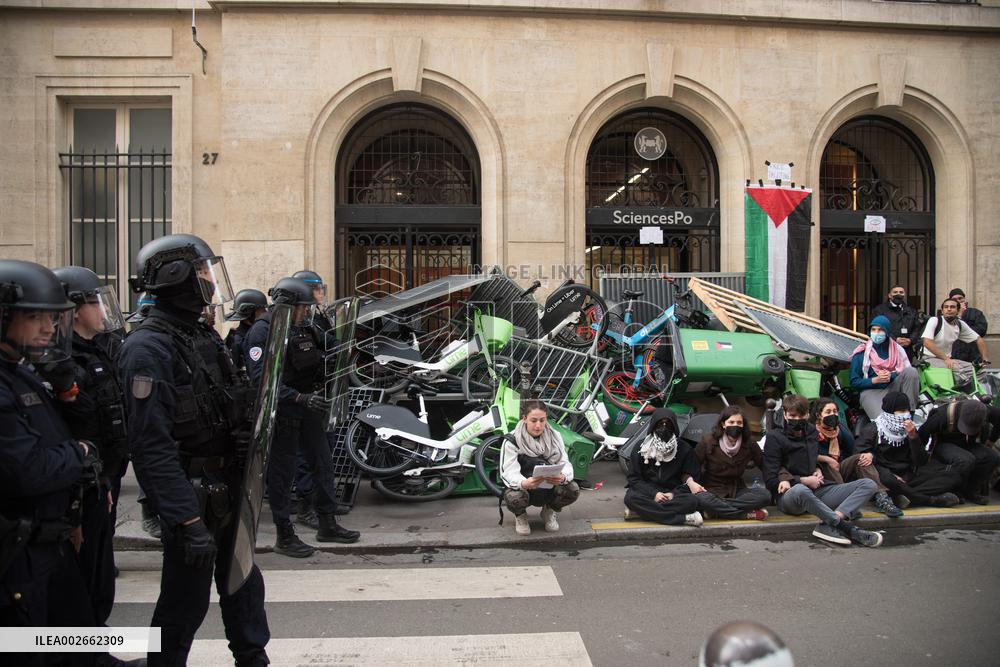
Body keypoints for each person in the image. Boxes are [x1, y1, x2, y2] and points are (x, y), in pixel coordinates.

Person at [118, 233, 270, 666]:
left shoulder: (201, 337)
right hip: (192, 494)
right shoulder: (148, 347)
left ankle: (253, 658)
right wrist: (184, 518)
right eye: (204, 270)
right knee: (183, 603)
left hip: (226, 486)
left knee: (242, 586)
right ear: (178, 276)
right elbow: (151, 446)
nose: (210, 280)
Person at [0, 260, 102, 664]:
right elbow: (30, 469)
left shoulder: (21, 372)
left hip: (49, 543)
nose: (46, 327)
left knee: (83, 640)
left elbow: (75, 425)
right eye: (34, 317)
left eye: (50, 317)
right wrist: (79, 454)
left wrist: (66, 389)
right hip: (18, 556)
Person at [245, 277, 359, 557]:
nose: (306, 314)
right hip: (282, 411)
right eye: (302, 308)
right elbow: (261, 380)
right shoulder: (262, 332)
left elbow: (333, 344)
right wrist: (297, 397)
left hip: (311, 406)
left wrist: (353, 348)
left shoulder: (305, 328)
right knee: (282, 475)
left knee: (322, 464)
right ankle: (284, 534)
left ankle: (327, 524)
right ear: (287, 307)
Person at [51, 265, 129, 624]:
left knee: (99, 578)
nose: (102, 310)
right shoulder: (60, 361)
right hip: (78, 486)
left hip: (102, 478)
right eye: (95, 302)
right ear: (74, 309)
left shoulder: (99, 349)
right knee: (78, 583)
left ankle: (94, 647)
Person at [762, 394, 883, 547]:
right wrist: (802, 480)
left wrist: (817, 469)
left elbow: (810, 460)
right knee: (800, 489)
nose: (797, 419)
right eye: (792, 415)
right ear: (785, 414)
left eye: (801, 415)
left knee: (868, 484)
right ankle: (847, 528)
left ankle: (828, 524)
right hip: (791, 494)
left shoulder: (812, 432)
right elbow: (770, 479)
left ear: (807, 415)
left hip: (818, 489)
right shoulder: (775, 437)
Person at [854, 392, 962, 509]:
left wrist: (913, 437)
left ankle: (902, 495)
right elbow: (860, 456)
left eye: (906, 411)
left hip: (908, 475)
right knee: (889, 480)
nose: (905, 415)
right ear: (890, 412)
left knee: (953, 476)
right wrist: (891, 474)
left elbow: (921, 461)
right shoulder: (874, 429)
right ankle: (928, 500)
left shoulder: (909, 429)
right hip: (886, 476)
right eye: (900, 411)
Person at [814, 396, 904, 517]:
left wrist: (869, 455)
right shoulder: (811, 431)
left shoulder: (840, 430)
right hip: (821, 474)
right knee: (828, 464)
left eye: (835, 412)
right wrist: (826, 459)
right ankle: (846, 505)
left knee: (861, 458)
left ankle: (881, 498)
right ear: (819, 415)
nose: (833, 415)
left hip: (840, 469)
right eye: (828, 412)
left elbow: (855, 450)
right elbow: (806, 455)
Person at [500, 400, 580, 535]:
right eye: (533, 420)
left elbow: (565, 462)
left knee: (572, 489)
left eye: (542, 420)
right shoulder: (512, 440)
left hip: (549, 484)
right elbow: (507, 472)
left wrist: (562, 477)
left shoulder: (555, 436)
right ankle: (520, 516)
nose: (538, 426)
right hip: (525, 486)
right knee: (514, 496)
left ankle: (549, 510)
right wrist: (523, 483)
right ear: (524, 418)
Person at [623, 408, 705, 527]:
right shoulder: (641, 447)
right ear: (653, 426)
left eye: (668, 423)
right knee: (631, 498)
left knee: (693, 502)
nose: (664, 427)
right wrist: (654, 494)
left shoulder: (684, 448)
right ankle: (684, 518)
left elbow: (694, 477)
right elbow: (634, 478)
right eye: (660, 423)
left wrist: (673, 494)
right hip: (649, 492)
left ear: (674, 426)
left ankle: (644, 512)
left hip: (673, 493)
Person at [692, 406, 771, 521]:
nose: (735, 425)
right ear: (723, 424)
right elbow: (692, 466)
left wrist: (781, 479)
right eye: (731, 422)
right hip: (712, 489)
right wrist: (693, 484)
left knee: (765, 496)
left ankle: (717, 511)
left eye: (739, 422)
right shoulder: (708, 441)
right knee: (701, 499)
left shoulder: (749, 443)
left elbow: (765, 465)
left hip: (736, 490)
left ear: (743, 425)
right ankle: (744, 515)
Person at [917, 398, 1000, 505]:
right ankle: (955, 490)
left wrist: (991, 440)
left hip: (967, 443)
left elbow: (998, 419)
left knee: (992, 456)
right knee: (965, 460)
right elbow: (922, 434)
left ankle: (971, 491)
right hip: (943, 445)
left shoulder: (986, 410)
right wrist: (920, 460)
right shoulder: (942, 415)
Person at [850, 315, 919, 420]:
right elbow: (854, 382)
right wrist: (875, 380)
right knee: (884, 421)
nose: (876, 333)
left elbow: (904, 372)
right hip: (871, 391)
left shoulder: (897, 349)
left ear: (887, 332)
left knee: (911, 371)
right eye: (873, 329)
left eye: (880, 330)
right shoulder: (861, 353)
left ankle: (910, 412)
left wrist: (891, 375)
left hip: (893, 387)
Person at [921, 297, 990, 388]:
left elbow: (978, 339)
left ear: (958, 311)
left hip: (947, 360)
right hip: (929, 359)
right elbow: (927, 342)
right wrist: (946, 359)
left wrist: (985, 359)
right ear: (942, 311)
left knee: (979, 371)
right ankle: (959, 396)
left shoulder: (960, 324)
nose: (949, 309)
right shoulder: (934, 320)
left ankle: (980, 397)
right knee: (958, 370)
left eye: (952, 307)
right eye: (946, 307)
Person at [871, 285, 921, 360]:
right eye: (895, 292)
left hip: (906, 350)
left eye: (901, 292)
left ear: (904, 295)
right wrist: (894, 339)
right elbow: (876, 328)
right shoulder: (879, 310)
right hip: (886, 348)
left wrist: (910, 340)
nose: (898, 294)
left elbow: (916, 328)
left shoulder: (911, 311)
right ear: (889, 295)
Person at [224, 288, 267, 374]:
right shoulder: (237, 340)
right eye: (261, 311)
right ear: (249, 313)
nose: (265, 313)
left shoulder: (261, 332)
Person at [948, 288, 988, 365]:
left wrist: (964, 330)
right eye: (955, 299)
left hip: (973, 354)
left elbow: (982, 330)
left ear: (964, 299)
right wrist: (959, 314)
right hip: (953, 354)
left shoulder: (976, 313)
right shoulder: (947, 315)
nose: (958, 301)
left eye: (960, 298)